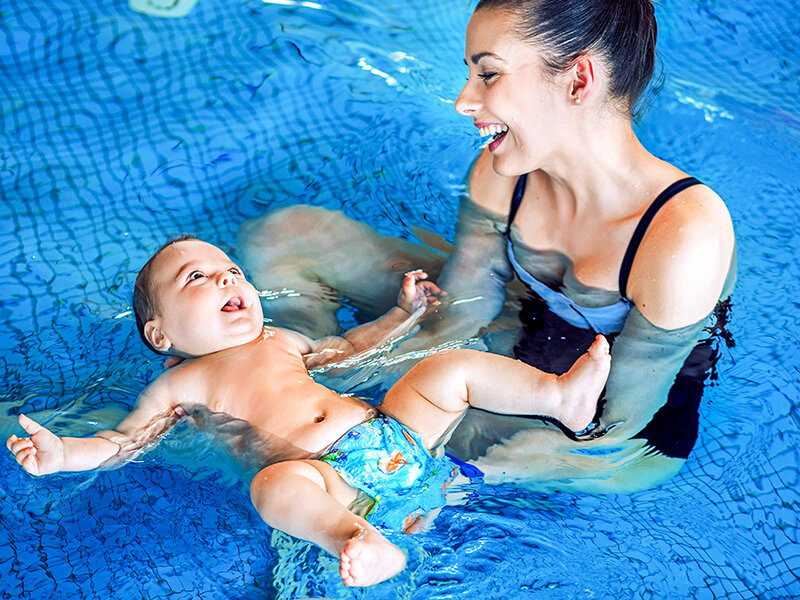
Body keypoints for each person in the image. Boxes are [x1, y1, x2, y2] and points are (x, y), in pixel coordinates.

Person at [236, 0, 736, 490]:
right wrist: (341, 366)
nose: (464, 101)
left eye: (489, 75)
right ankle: (286, 369)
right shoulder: (505, 173)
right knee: (288, 236)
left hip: (612, 432)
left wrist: (473, 470)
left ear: (579, 81)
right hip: (517, 330)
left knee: (437, 439)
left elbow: (611, 432)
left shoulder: (682, 234)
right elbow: (457, 320)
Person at [6, 237, 611, 587]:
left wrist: (401, 315)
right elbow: (123, 442)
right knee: (272, 486)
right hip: (333, 482)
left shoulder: (281, 340)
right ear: (160, 333)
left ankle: (559, 397)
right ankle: (359, 540)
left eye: (232, 271)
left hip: (392, 433)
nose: (227, 280)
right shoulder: (179, 385)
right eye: (199, 278)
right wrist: (64, 454)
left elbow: (346, 351)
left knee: (446, 369)